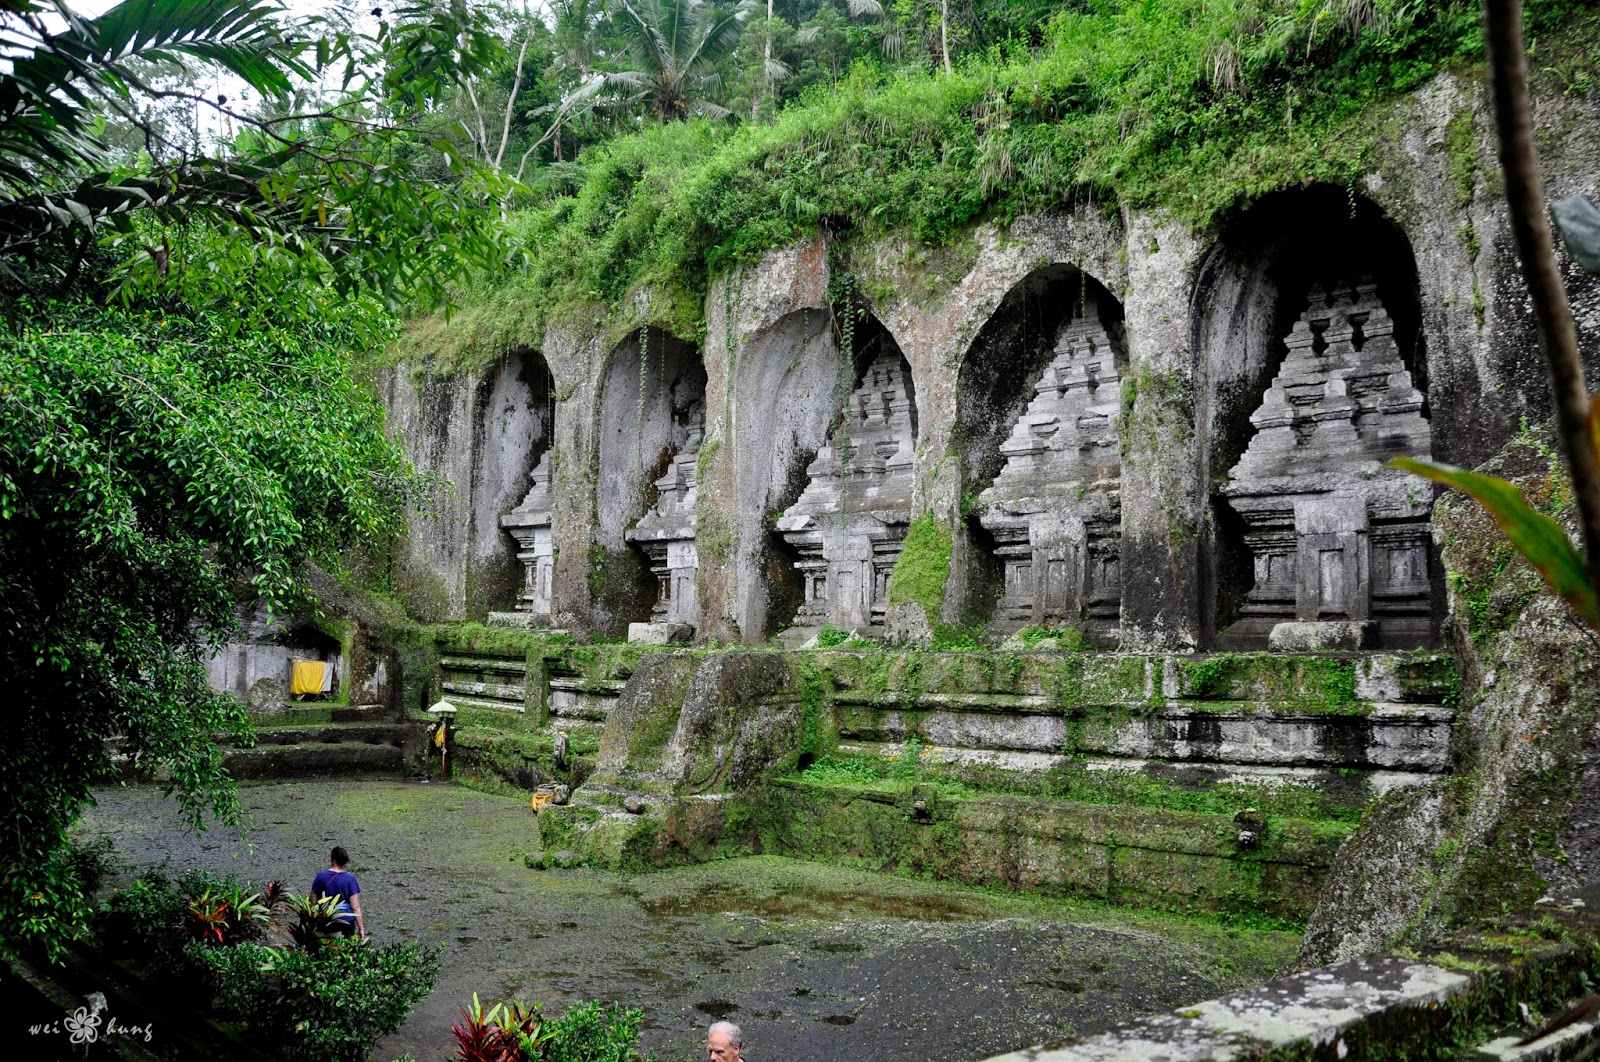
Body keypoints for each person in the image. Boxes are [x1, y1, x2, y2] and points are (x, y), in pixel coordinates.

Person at [309, 845, 367, 940]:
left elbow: (313, 898)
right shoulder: (350, 879)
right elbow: (355, 907)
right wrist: (361, 927)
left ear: (333, 860)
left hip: (326, 919)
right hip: (346, 921)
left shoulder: (320, 876)